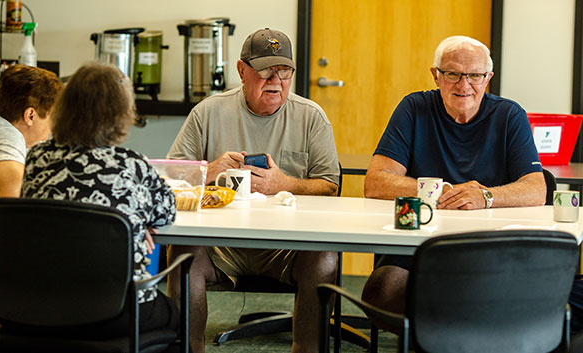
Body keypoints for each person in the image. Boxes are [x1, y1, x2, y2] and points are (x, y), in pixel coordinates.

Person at [167, 28, 340, 353]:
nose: (276, 80)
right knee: (181, 251)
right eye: (265, 71)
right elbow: (170, 179)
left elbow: (330, 187)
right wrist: (207, 172)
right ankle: (189, 348)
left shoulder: (311, 117)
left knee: (325, 257)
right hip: (220, 245)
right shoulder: (208, 112)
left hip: (289, 246)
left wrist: (284, 184)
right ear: (242, 70)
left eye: (284, 71)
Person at [361, 35, 546, 328]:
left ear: (488, 78)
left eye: (474, 75)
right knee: (380, 292)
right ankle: (439, 335)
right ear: (436, 75)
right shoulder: (414, 108)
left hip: (486, 246)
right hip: (416, 246)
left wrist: (485, 197)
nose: (464, 85)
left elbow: (537, 188)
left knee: (507, 293)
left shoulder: (510, 115)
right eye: (453, 74)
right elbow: (376, 182)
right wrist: (441, 191)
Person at [18, 62, 179, 338]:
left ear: (64, 108)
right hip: (119, 310)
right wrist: (137, 227)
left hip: (43, 305)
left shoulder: (37, 158)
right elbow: (166, 213)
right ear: (122, 115)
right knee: (175, 316)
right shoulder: (133, 166)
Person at [0, 64, 63, 199]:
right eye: (52, 118)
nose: (51, 129)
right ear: (30, 116)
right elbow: (8, 214)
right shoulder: (5, 141)